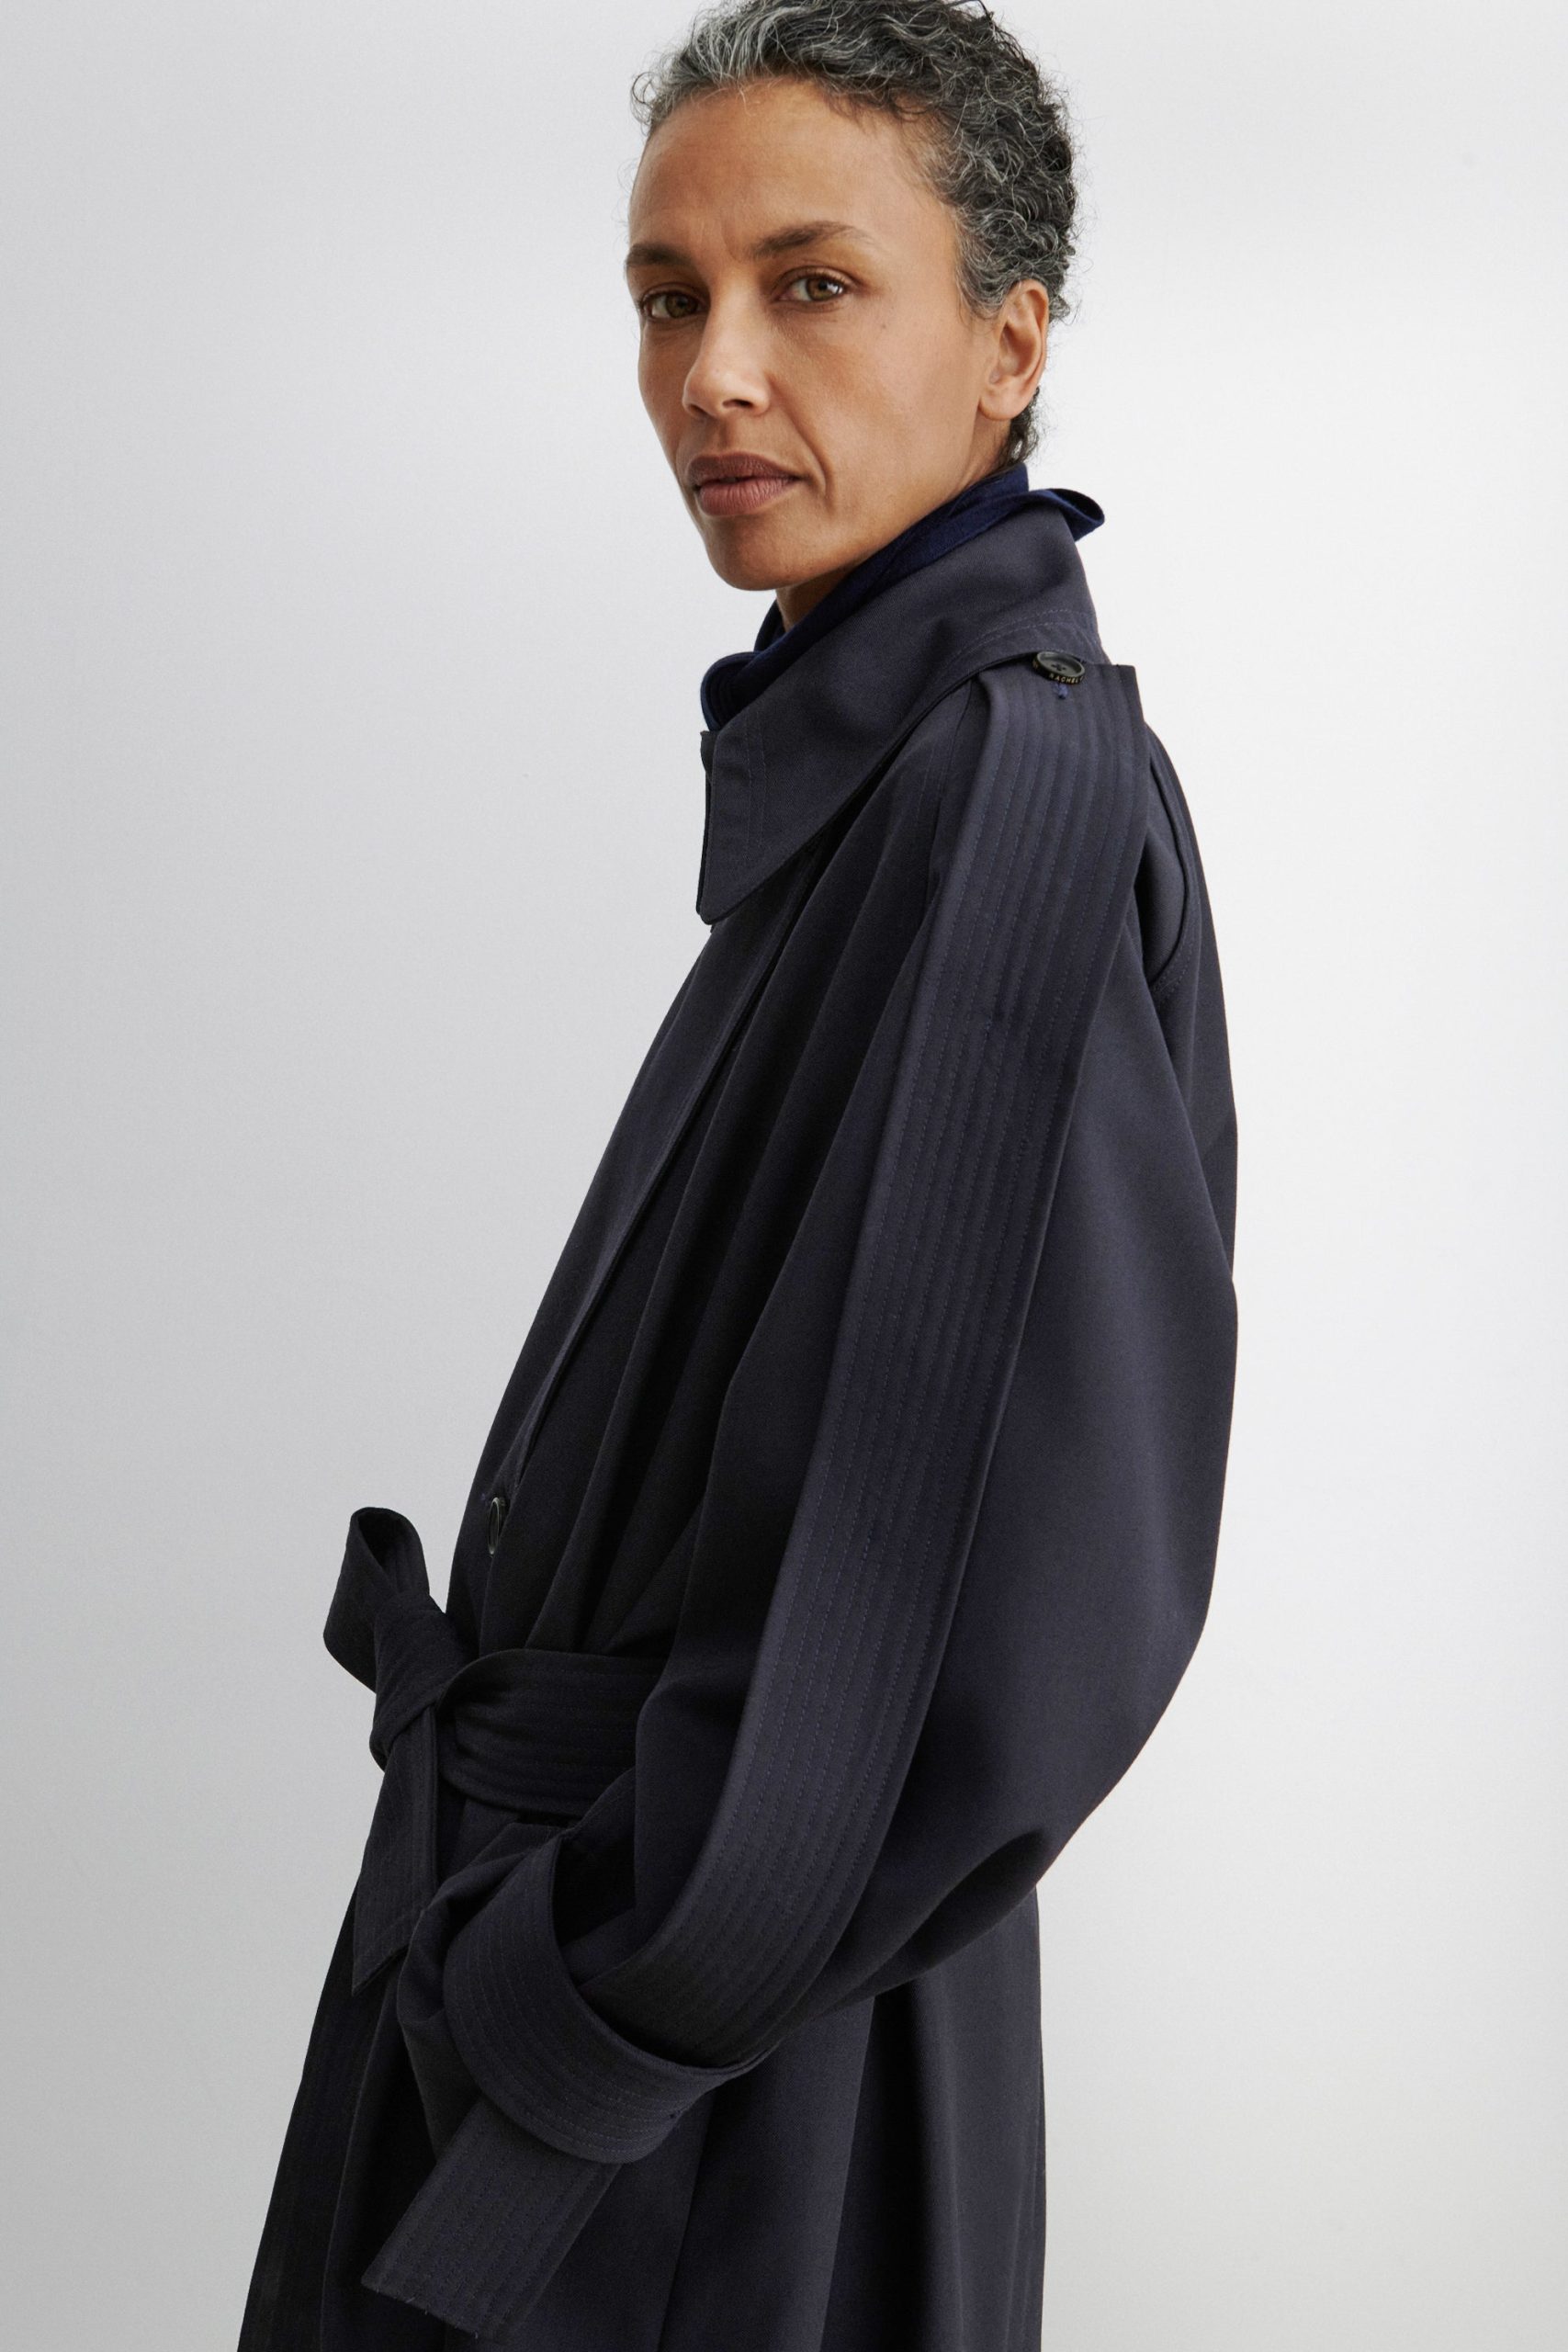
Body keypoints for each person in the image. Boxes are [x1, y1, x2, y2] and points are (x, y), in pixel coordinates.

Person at [238, 5, 1239, 2346]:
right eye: (665, 297)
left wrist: (572, 2000)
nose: (712, 375)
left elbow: (1005, 1620)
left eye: (810, 285)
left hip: (699, 2109)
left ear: (1008, 349)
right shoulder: (880, 773)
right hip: (651, 2043)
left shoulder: (1001, 810)